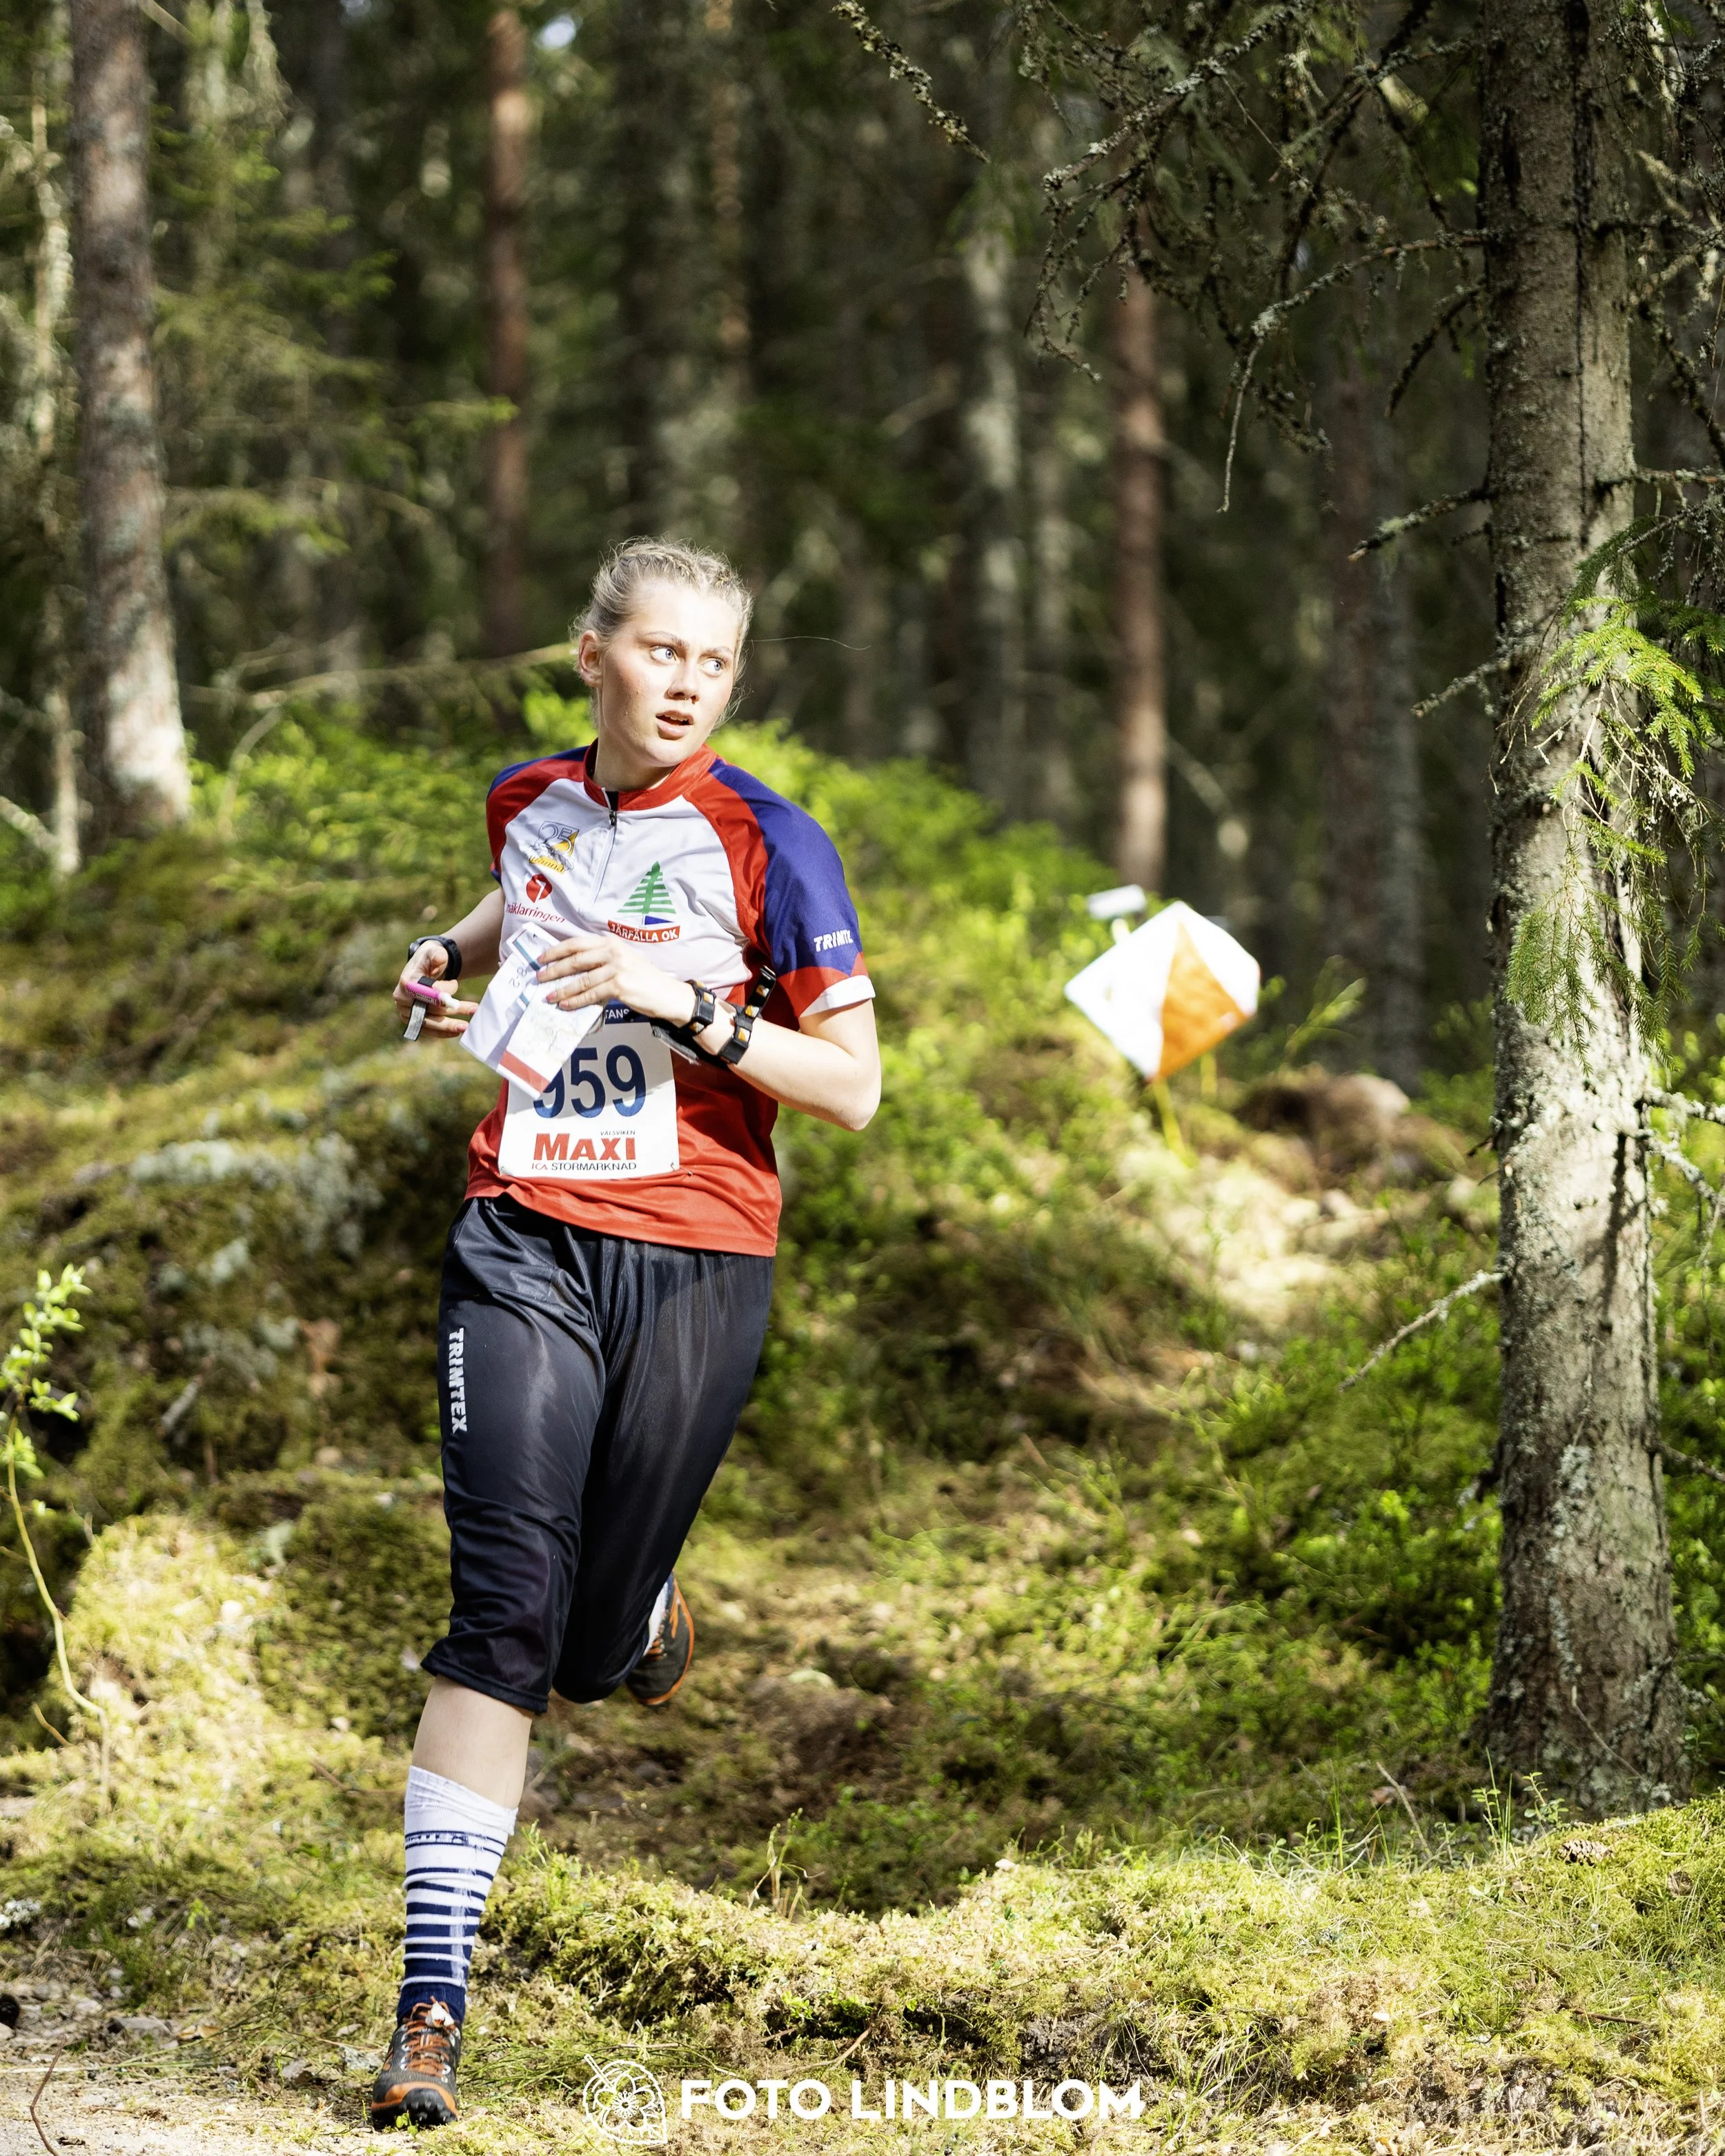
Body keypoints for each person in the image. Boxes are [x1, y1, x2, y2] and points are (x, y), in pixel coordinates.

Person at [368, 538, 880, 2130]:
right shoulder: (527, 797)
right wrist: (447, 959)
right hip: (521, 1231)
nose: (681, 682)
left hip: (694, 1257)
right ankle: (428, 2005)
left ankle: (638, 1605)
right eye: (656, 651)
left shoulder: (771, 845)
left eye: (711, 663)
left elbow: (852, 1084)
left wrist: (688, 1004)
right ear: (593, 654)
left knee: (589, 1647)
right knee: (500, 1618)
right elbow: (513, 905)